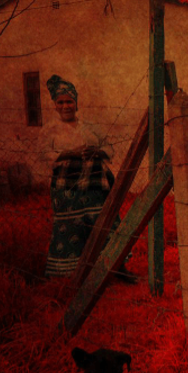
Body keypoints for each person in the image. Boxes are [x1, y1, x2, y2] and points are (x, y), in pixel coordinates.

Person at [39, 75, 135, 282]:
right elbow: (44, 155)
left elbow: (109, 149)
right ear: (55, 105)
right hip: (67, 189)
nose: (65, 106)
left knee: (104, 224)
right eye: (60, 102)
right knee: (71, 229)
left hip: (95, 187)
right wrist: (69, 153)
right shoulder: (49, 130)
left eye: (69, 101)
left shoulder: (90, 127)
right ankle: (72, 276)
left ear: (76, 103)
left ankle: (117, 267)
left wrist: (97, 152)